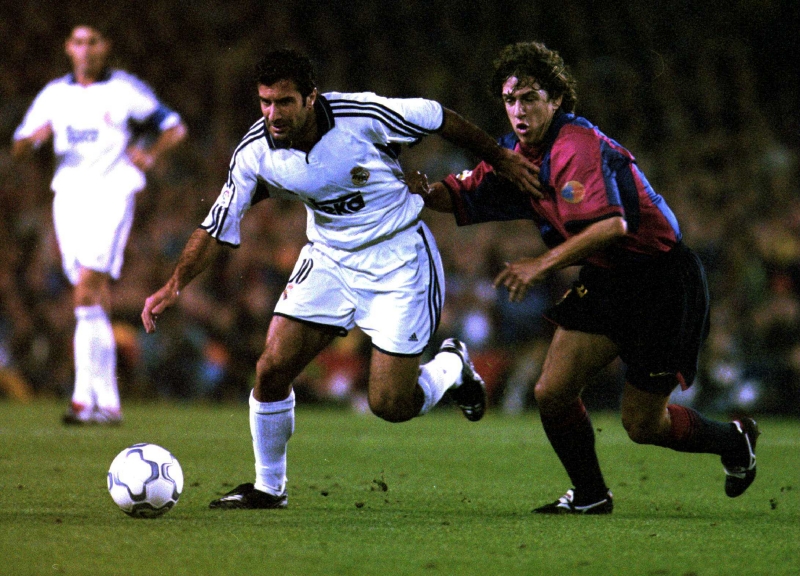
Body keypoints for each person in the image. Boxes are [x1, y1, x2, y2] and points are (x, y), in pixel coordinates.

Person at [141, 48, 540, 510]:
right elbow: (217, 224)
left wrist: (501, 158)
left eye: (284, 102)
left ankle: (452, 366)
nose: (273, 114)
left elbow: (438, 117)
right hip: (329, 259)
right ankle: (269, 487)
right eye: (265, 102)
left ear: (311, 97)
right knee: (271, 368)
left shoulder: (361, 115)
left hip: (398, 257)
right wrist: (175, 283)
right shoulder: (254, 151)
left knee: (390, 404)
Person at [409, 41, 759, 514]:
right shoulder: (515, 154)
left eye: (530, 97)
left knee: (642, 424)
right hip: (609, 278)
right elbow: (460, 194)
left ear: (556, 99)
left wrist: (539, 265)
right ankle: (591, 495)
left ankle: (734, 441)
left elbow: (612, 226)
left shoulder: (576, 145)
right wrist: (420, 190)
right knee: (551, 392)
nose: (519, 110)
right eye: (510, 100)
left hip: (661, 280)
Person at [12, 23, 187, 425]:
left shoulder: (124, 90)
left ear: (105, 47)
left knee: (86, 288)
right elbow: (18, 146)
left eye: (93, 41)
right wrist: (36, 137)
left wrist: (150, 153)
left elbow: (175, 127)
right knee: (92, 295)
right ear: (68, 48)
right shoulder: (54, 95)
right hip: (68, 198)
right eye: (78, 42)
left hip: (111, 194)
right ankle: (107, 403)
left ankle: (81, 399)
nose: (86, 49)